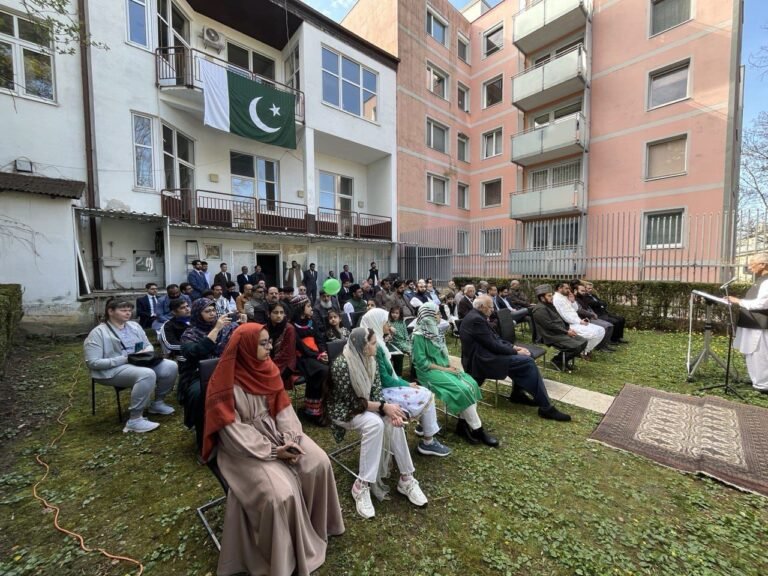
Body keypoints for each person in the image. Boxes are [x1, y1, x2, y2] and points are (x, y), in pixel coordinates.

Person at [201, 323, 344, 576]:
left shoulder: (268, 369)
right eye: (263, 343)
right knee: (280, 493)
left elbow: (283, 409)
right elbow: (231, 430)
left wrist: (290, 439)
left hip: (279, 433)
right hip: (242, 448)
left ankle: (318, 527)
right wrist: (273, 452)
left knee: (318, 462)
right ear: (244, 346)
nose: (270, 348)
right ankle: (283, 557)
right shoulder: (221, 383)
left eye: (269, 342)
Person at [327, 327, 429, 519]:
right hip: (344, 411)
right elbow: (352, 403)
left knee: (391, 420)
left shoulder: (371, 361)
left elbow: (376, 393)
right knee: (376, 424)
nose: (376, 346)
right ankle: (361, 485)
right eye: (373, 343)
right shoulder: (342, 364)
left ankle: (406, 478)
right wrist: (383, 407)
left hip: (365, 406)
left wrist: (389, 410)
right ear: (362, 346)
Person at [460, 296, 571, 422]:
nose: (493, 310)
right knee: (527, 362)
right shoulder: (476, 319)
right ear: (482, 307)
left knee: (525, 358)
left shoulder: (478, 316)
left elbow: (494, 339)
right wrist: (514, 351)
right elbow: (493, 344)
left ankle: (518, 394)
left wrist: (514, 347)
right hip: (481, 360)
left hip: (487, 354)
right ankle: (546, 407)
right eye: (490, 307)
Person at [360, 308, 450, 457]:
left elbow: (387, 376)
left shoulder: (375, 341)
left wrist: (404, 383)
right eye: (385, 322)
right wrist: (406, 384)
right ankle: (428, 441)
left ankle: (425, 426)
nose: (388, 325)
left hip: (383, 387)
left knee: (423, 392)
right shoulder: (374, 346)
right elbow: (384, 379)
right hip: (379, 392)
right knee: (425, 394)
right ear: (376, 323)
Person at [84, 299, 177, 433]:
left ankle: (157, 403)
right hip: (111, 370)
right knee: (146, 374)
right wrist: (125, 359)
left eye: (129, 310)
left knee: (170, 366)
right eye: (123, 310)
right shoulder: (98, 333)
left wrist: (146, 351)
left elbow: (147, 344)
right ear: (110, 312)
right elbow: (93, 363)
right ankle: (135, 420)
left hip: (139, 362)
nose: (128, 313)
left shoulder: (134, 326)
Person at [411, 302, 497, 446]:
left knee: (471, 384)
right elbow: (421, 363)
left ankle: (462, 425)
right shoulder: (419, 336)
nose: (440, 316)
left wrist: (450, 365)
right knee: (462, 389)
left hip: (442, 367)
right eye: (437, 313)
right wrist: (446, 370)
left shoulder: (436, 331)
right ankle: (478, 429)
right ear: (428, 316)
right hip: (428, 373)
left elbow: (443, 354)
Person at [180, 298, 240, 450]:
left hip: (226, 370)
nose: (212, 314)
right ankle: (204, 440)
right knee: (200, 394)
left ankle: (236, 432)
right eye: (207, 311)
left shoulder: (228, 328)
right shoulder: (190, 333)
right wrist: (216, 329)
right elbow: (194, 353)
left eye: (213, 310)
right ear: (197, 314)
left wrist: (242, 325)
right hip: (199, 374)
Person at [729, 253, 768, 393]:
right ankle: (756, 379)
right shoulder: (760, 279)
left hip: (759, 324)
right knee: (751, 353)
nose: (750, 267)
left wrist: (738, 301)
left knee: (759, 353)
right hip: (751, 323)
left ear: (763, 265)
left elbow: (762, 304)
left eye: (753, 263)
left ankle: (763, 385)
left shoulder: (766, 281)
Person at [531, 284, 588, 372]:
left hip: (560, 332)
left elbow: (560, 319)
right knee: (575, 347)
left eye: (551, 295)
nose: (552, 297)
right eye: (549, 296)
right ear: (542, 298)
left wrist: (568, 328)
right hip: (550, 336)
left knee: (583, 342)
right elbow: (550, 325)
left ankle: (563, 360)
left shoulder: (549, 305)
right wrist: (566, 332)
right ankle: (557, 361)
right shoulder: (539, 309)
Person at [292, 295, 329, 422]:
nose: (311, 308)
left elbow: (320, 339)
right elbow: (301, 348)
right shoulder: (292, 326)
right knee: (322, 371)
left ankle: (325, 406)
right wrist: (317, 355)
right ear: (301, 308)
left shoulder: (312, 321)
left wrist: (323, 352)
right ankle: (313, 411)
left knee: (331, 367)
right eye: (308, 306)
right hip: (302, 358)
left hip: (315, 355)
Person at [552, 282, 605, 356]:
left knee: (601, 330)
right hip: (570, 325)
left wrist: (573, 301)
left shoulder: (565, 296)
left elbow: (576, 309)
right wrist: (580, 321)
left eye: (568, 288)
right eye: (566, 288)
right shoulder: (556, 299)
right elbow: (564, 316)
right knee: (593, 333)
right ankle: (583, 352)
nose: (569, 290)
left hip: (577, 321)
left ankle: (585, 350)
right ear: (559, 288)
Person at [266, 301, 299, 390]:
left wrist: (271, 366)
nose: (279, 315)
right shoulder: (266, 328)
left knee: (270, 379)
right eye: (276, 312)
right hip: (268, 360)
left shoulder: (289, 329)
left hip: (286, 363)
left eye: (281, 312)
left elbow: (287, 353)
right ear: (269, 314)